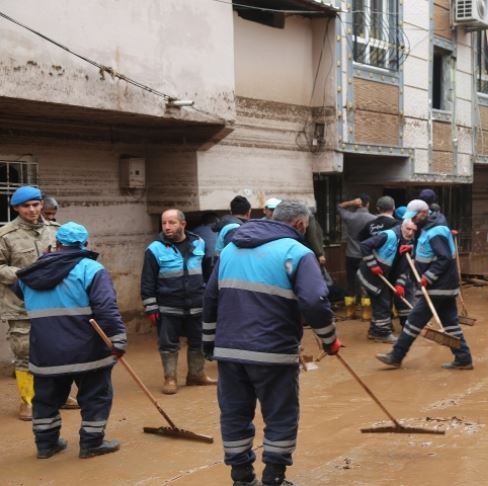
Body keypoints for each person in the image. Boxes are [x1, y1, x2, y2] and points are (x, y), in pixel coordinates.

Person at [203, 200, 339, 486]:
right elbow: (315, 300)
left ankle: (241, 478)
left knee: (235, 414)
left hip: (229, 351)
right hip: (273, 352)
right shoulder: (298, 252)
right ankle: (274, 478)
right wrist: (329, 340)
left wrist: (209, 342)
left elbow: (210, 298)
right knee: (280, 415)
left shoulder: (229, 249)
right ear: (300, 225)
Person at [16, 222, 125, 459]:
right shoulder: (91, 269)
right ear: (85, 244)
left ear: (56, 244)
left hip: (45, 351)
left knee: (45, 400)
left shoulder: (31, 272)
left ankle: (46, 445)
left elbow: (19, 291)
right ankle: (92, 443)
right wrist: (118, 340)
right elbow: (106, 308)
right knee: (96, 396)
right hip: (87, 351)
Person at [376, 199, 473, 370]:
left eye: (414, 218)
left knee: (413, 321)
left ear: (423, 214)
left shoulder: (435, 231)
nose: (412, 221)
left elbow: (443, 258)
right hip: (441, 287)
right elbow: (429, 253)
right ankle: (463, 358)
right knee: (450, 324)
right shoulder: (428, 229)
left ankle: (396, 356)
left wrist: (427, 276)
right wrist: (412, 250)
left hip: (437, 287)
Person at [0, 186, 62, 420]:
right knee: (24, 352)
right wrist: (23, 274)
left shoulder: (56, 231)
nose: (32, 210)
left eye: (35, 204)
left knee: (56, 350)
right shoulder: (5, 235)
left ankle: (59, 394)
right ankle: (28, 401)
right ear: (16, 208)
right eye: (26, 206)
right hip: (20, 304)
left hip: (53, 303)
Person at [141, 209, 215, 395]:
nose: (167, 227)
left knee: (198, 341)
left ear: (183, 224)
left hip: (197, 304)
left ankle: (196, 375)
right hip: (168, 306)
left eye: (172, 222)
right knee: (168, 344)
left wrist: (209, 297)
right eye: (164, 223)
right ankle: (170, 378)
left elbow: (209, 273)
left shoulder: (199, 243)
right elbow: (147, 281)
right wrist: (151, 307)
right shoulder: (154, 249)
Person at [356, 217, 415, 343]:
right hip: (372, 274)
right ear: (402, 226)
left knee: (383, 300)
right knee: (383, 301)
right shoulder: (389, 235)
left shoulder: (409, 242)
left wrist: (400, 284)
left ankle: (375, 330)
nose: (410, 232)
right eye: (408, 229)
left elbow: (405, 268)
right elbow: (365, 245)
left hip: (385, 276)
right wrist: (373, 265)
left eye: (413, 230)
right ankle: (381, 333)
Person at [338, 195, 376, 320]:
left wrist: (351, 202)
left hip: (351, 255)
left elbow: (339, 207)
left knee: (351, 282)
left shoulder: (350, 217)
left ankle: (350, 312)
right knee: (366, 283)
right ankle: (366, 313)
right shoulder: (374, 219)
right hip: (366, 256)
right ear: (368, 204)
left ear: (358, 204)